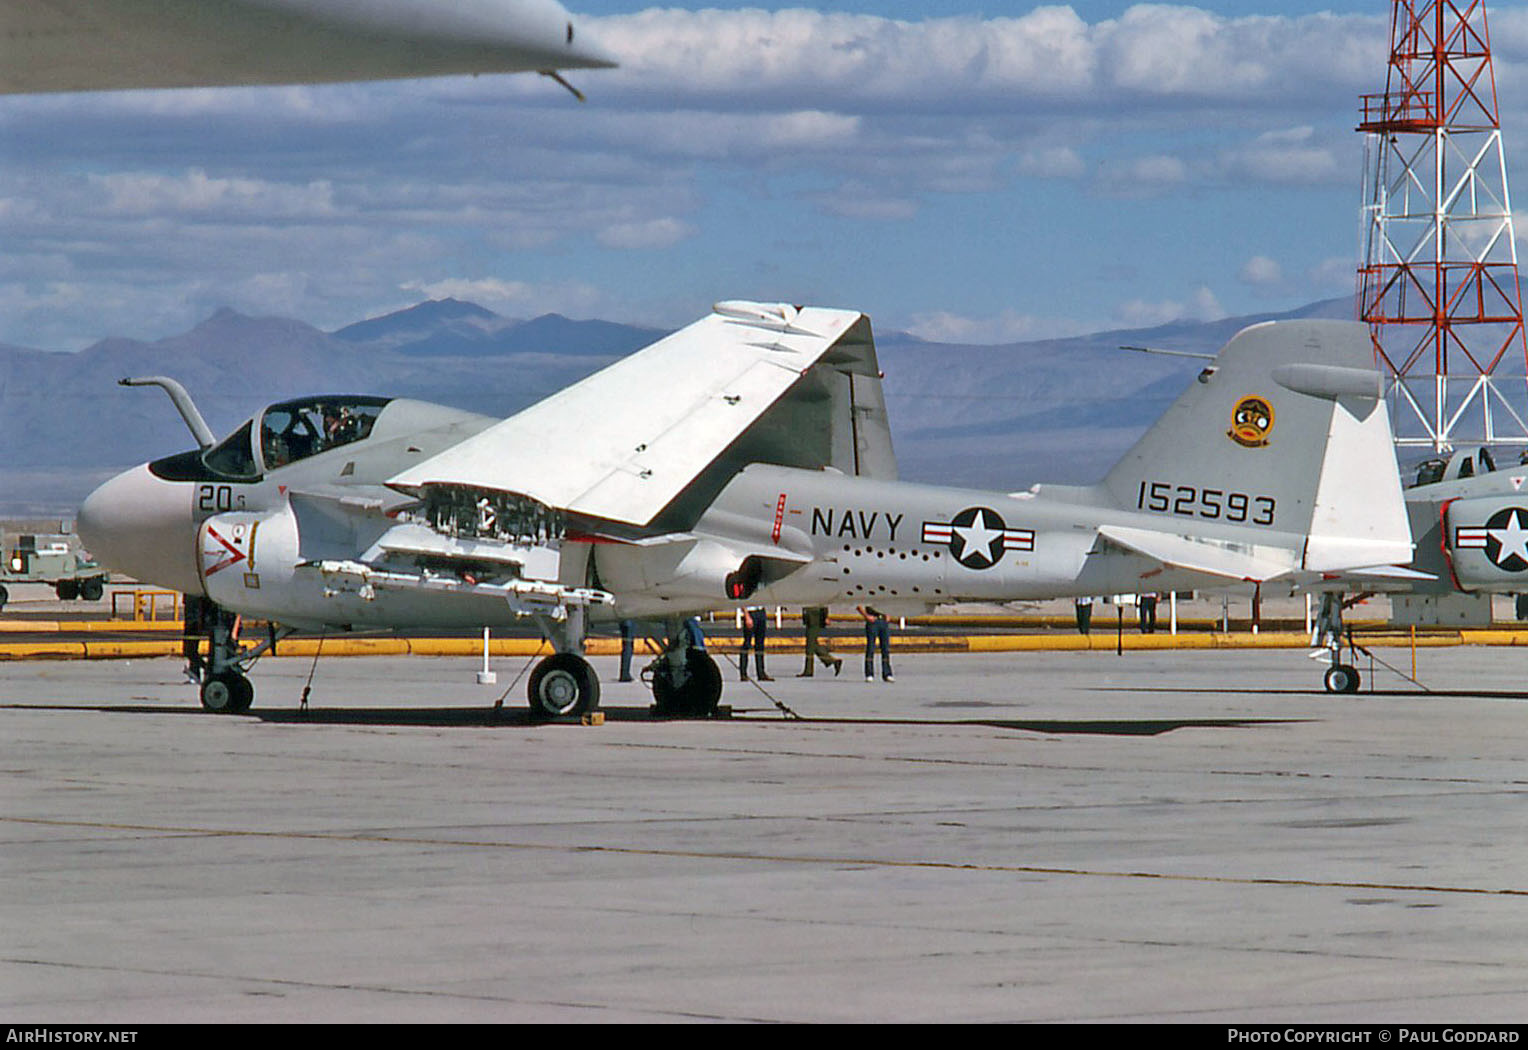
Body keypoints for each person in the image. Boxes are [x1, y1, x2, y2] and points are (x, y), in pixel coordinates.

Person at [798, 606, 842, 677]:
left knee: (810, 646)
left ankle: (809, 670)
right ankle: (831, 661)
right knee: (812, 644)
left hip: (815, 619)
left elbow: (823, 602)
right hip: (811, 619)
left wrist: (826, 616)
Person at [857, 604, 894, 682]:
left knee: (885, 648)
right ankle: (869, 673)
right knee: (871, 648)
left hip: (883, 621)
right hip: (873, 621)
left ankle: (887, 673)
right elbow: (859, 605)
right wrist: (866, 616)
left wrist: (889, 614)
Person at [739, 606, 772, 681]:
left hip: (760, 611)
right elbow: (742, 603)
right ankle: (743, 673)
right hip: (751, 612)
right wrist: (746, 616)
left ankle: (761, 672)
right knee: (747, 643)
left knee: (760, 644)